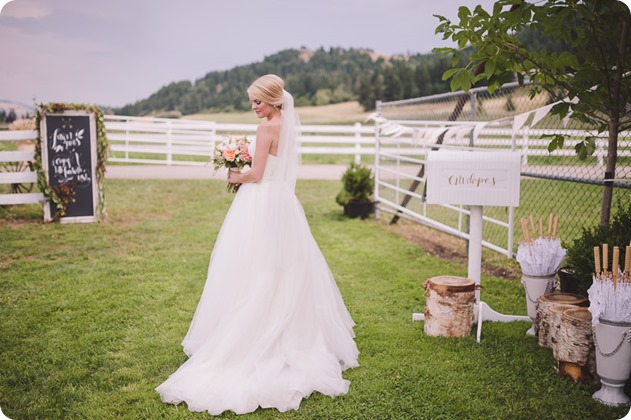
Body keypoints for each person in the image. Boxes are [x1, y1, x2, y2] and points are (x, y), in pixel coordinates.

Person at [155, 74, 359, 415]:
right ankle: (289, 329)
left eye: (258, 102)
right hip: (283, 202)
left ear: (274, 101)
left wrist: (234, 173)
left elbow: (258, 173)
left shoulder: (267, 128)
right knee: (284, 267)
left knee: (254, 265)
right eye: (251, 101)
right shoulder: (287, 125)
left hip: (262, 202)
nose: (254, 107)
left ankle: (253, 333)